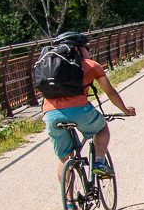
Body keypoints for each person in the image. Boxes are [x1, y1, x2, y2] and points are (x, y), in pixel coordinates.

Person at [40, 31, 135, 174]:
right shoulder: (90, 65)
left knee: (64, 160)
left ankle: (68, 195)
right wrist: (125, 109)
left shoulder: (48, 65)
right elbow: (109, 91)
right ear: (77, 49)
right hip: (79, 111)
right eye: (86, 47)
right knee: (102, 128)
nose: (88, 51)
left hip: (51, 114)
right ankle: (99, 163)